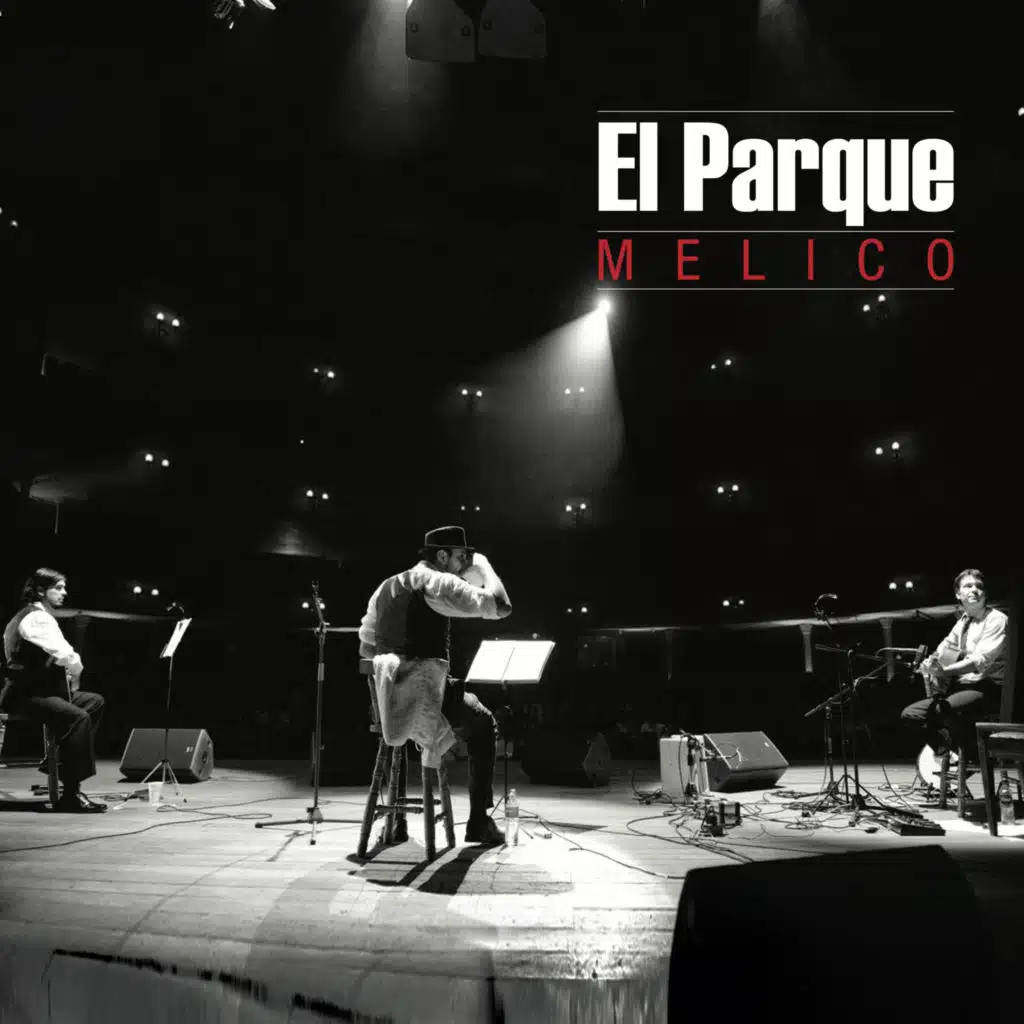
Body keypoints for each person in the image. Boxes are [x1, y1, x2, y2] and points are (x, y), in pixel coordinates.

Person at [358, 526, 512, 846]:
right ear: (442, 556)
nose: (464, 563)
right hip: (427, 701)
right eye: (461, 556)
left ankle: (395, 823)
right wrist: (484, 566)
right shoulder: (438, 582)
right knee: (484, 724)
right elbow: (501, 605)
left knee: (400, 724)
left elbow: (366, 649)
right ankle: (479, 823)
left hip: (388, 704)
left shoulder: (385, 587)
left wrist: (389, 682)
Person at [1, 568, 107, 812]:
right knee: (77, 717)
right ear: (40, 590)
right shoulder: (37, 618)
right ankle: (70, 794)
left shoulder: (33, 615)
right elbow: (65, 654)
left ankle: (57, 761)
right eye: (58, 588)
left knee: (93, 701)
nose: (64, 592)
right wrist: (76, 670)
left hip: (39, 692)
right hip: (25, 695)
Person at [900, 568, 1007, 761]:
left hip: (990, 688)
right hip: (963, 688)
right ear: (958, 594)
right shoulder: (963, 622)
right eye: (968, 586)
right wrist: (930, 663)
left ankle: (973, 755)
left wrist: (943, 671)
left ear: (985, 593)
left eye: (979, 586)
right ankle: (951, 752)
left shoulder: (997, 619)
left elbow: (979, 661)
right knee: (911, 714)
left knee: (944, 709)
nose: (974, 590)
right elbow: (944, 650)